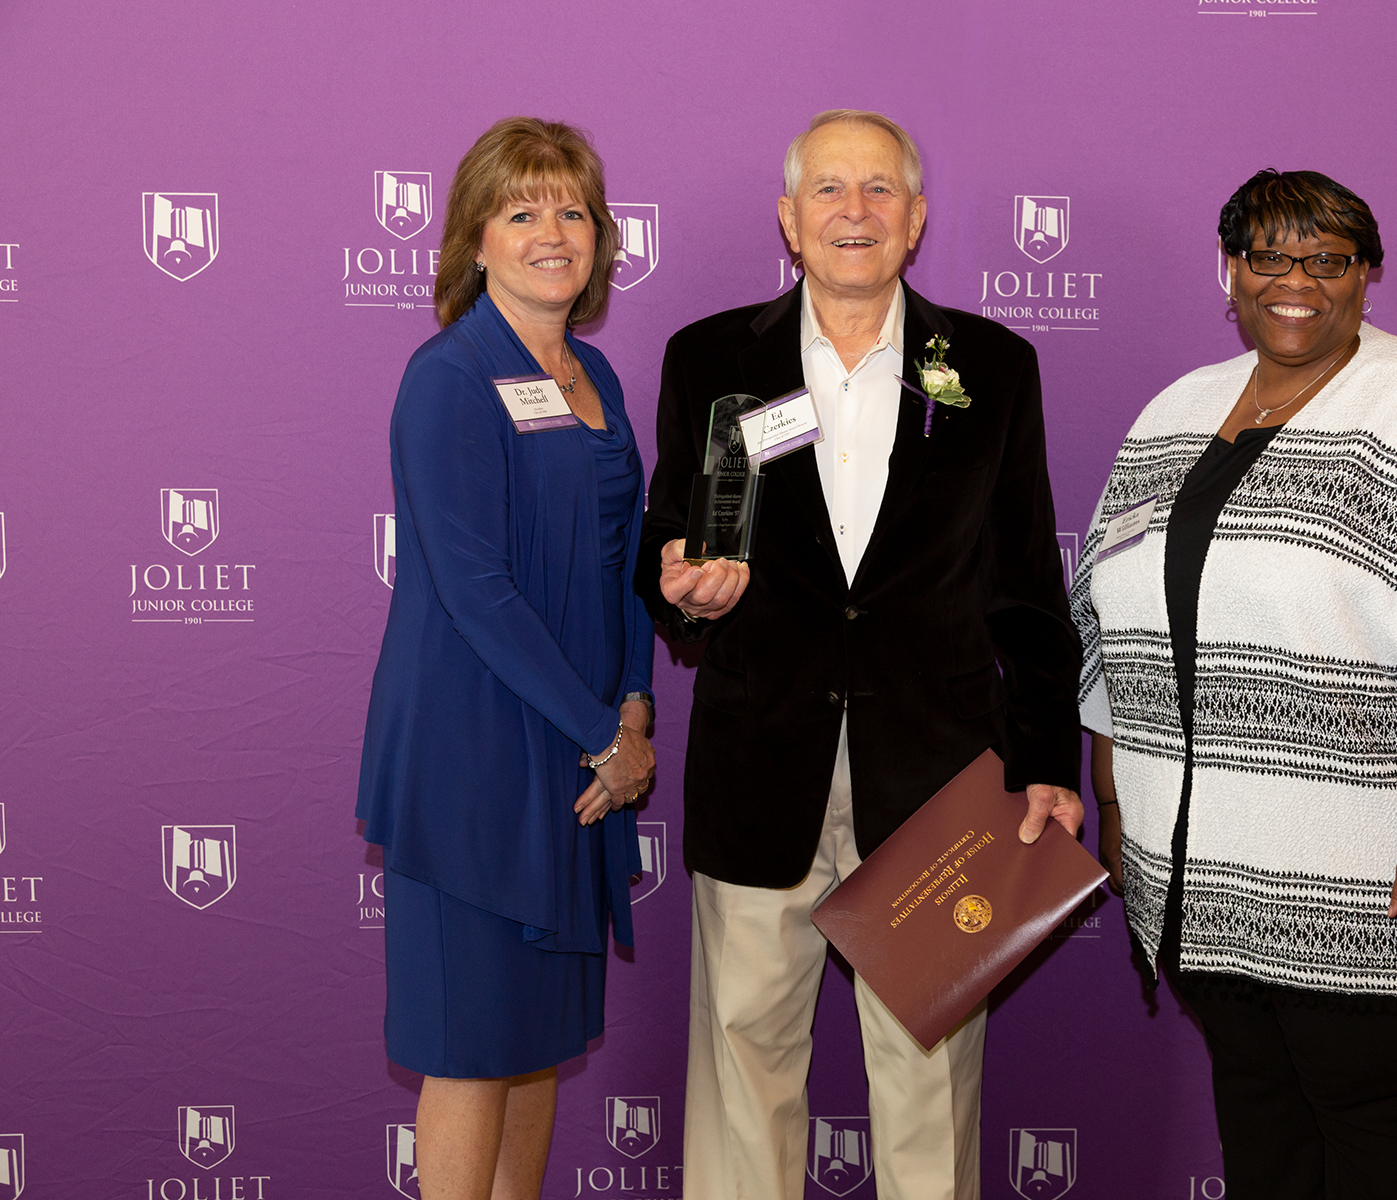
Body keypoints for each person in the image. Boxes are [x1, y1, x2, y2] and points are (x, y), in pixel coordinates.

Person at [1072, 169, 1397, 1199]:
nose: (1297, 281)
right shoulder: (1178, 410)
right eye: (1269, 255)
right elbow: (1110, 620)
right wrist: (1117, 799)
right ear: (1230, 271)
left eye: (1328, 259)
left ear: (1367, 275)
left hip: (1384, 907)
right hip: (1219, 904)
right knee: (1270, 1156)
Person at [632, 109, 1083, 1200]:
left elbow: (1029, 586)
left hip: (936, 787)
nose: (855, 210)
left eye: (880, 189)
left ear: (916, 219)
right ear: (789, 220)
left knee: (930, 1093)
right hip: (758, 768)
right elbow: (669, 540)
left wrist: (1046, 764)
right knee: (744, 1072)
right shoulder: (710, 357)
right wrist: (677, 589)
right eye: (828, 189)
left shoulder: (990, 367)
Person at [356, 116, 656, 1200]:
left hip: (579, 753)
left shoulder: (596, 375)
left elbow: (625, 563)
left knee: (537, 1045)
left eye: (572, 210)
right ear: (474, 240)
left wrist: (634, 708)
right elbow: (475, 590)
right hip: (475, 754)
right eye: (522, 210)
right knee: (470, 1046)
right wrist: (604, 736)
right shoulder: (447, 376)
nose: (552, 232)